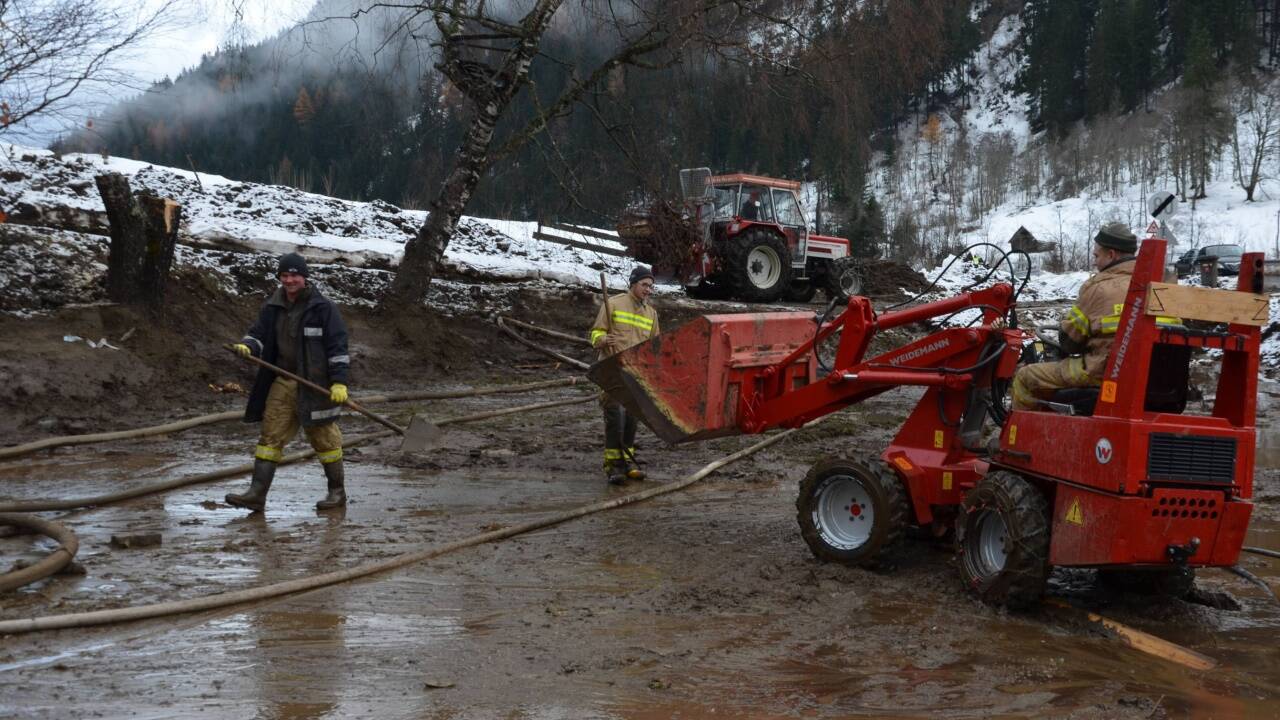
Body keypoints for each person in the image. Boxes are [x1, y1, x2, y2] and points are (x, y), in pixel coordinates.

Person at [225, 252, 352, 512]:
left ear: (304, 277)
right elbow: (258, 334)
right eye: (284, 275)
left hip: (315, 385)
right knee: (270, 436)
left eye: (294, 275)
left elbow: (337, 347)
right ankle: (257, 494)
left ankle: (337, 492)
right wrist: (248, 346)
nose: (289, 280)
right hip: (283, 381)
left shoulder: (323, 308)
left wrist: (339, 382)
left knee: (325, 439)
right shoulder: (273, 307)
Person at [1010, 223, 1137, 410]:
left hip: (1100, 373)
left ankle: (1025, 428)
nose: (1094, 262)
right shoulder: (1161, 287)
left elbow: (1070, 342)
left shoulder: (1098, 288)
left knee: (1025, 377)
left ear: (1111, 255)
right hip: (1146, 379)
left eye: (1096, 256)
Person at [590, 266, 660, 484]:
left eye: (651, 286)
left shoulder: (651, 314)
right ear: (633, 284)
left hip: (635, 373)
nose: (648, 290)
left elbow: (655, 346)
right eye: (644, 285)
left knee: (632, 417)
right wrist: (602, 340)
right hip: (611, 370)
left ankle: (627, 462)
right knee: (614, 416)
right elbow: (595, 332)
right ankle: (613, 465)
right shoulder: (613, 304)